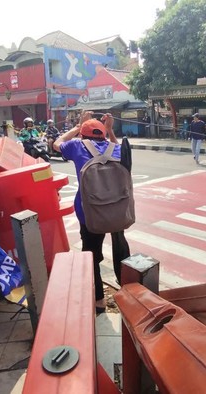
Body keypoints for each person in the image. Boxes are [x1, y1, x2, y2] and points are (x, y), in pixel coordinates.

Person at [53, 111, 131, 313]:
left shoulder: (77, 145)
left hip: (89, 214)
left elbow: (56, 143)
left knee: (92, 254)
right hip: (117, 210)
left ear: (83, 134)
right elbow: (122, 152)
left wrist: (78, 126)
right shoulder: (114, 148)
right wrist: (111, 130)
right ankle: (130, 293)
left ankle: (99, 301)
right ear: (104, 134)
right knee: (121, 247)